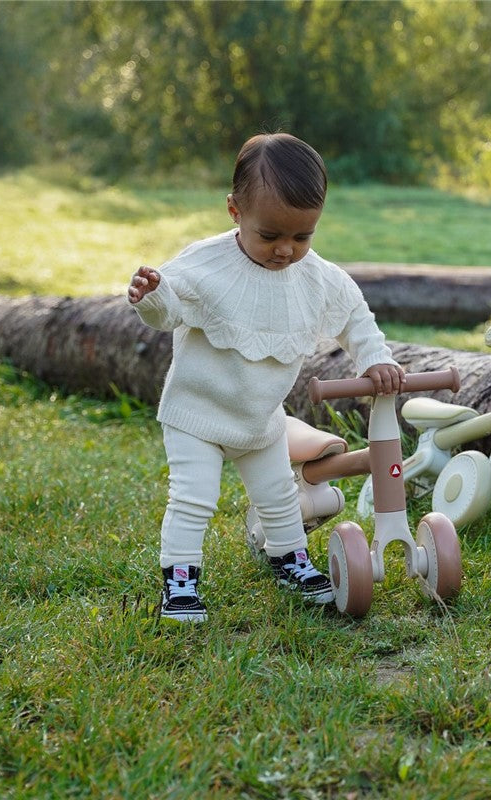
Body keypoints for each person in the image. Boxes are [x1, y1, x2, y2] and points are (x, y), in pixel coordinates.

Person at [128, 133, 404, 623]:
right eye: (270, 235)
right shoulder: (207, 263)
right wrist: (151, 294)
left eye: (302, 237)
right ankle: (181, 582)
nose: (285, 250)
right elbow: (169, 306)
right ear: (235, 211)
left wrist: (374, 358)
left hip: (260, 418)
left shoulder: (317, 276)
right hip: (197, 413)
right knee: (193, 496)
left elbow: (354, 315)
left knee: (278, 495)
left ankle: (289, 559)